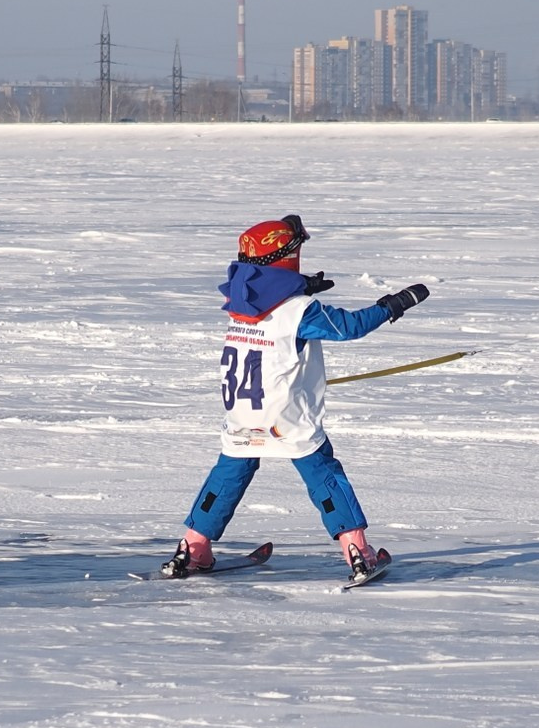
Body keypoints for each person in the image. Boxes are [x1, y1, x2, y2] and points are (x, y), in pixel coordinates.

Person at [161, 214, 430, 582]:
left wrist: (300, 287)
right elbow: (348, 327)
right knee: (324, 478)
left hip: (242, 415)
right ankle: (357, 550)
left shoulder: (239, 307)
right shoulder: (300, 312)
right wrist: (392, 305)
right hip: (286, 419)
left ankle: (192, 549)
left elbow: (270, 307)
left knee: (227, 479)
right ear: (286, 259)